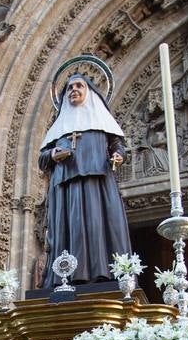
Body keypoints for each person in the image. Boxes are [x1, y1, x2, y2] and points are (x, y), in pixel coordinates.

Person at [38, 70, 131, 288]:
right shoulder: (59, 128)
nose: (74, 90)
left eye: (79, 86)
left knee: (97, 225)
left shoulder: (101, 122)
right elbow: (42, 159)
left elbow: (118, 146)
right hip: (66, 188)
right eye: (70, 87)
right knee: (71, 228)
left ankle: (102, 273)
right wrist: (53, 154)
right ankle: (64, 275)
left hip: (97, 184)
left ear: (89, 92)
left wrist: (118, 155)